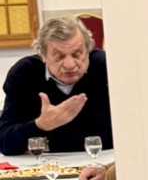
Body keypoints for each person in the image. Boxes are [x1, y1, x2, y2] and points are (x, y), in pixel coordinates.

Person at [0, 15, 113, 156]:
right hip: (43, 164)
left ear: (88, 49)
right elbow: (4, 142)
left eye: (77, 54)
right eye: (59, 57)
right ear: (43, 54)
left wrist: (46, 142)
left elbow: (117, 134)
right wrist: (41, 124)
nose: (70, 65)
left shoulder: (105, 67)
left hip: (100, 161)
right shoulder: (24, 73)